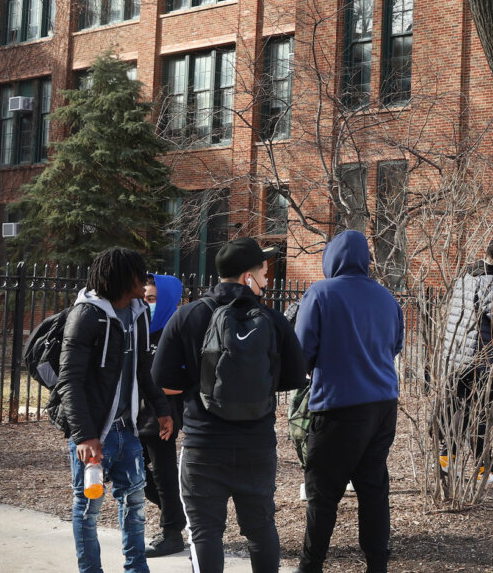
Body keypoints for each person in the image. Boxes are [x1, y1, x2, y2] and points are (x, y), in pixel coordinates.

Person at [152, 237, 308, 573]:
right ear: (246, 277)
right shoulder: (273, 320)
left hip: (203, 444)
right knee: (260, 527)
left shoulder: (187, 316)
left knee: (206, 532)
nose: (267, 280)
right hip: (256, 444)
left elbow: (163, 382)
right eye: (263, 272)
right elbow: (295, 376)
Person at [54, 248, 173, 573]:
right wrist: (85, 435)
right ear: (121, 279)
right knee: (88, 508)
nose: (145, 281)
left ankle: (136, 569)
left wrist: (161, 408)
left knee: (134, 504)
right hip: (95, 436)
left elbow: (142, 369)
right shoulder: (86, 316)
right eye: (139, 274)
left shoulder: (138, 313)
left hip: (128, 431)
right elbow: (70, 380)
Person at [295, 231, 405, 573]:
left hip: (338, 406)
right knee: (373, 489)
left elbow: (301, 352)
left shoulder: (321, 293)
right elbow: (396, 345)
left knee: (323, 494)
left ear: (333, 259)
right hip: (383, 405)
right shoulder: (387, 298)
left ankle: (310, 566)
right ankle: (376, 565)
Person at [438, 236, 493, 484]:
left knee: (460, 415)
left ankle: (447, 462)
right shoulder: (491, 283)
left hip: (459, 359)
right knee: (480, 416)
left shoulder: (467, 278)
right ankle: (484, 471)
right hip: (481, 361)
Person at [140, 274, 187, 558]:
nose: (148, 305)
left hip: (163, 413)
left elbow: (180, 379)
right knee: (134, 471)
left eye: (153, 299)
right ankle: (181, 516)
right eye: (145, 298)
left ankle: (172, 532)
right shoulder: (138, 327)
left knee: (163, 473)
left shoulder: (175, 330)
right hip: (134, 411)